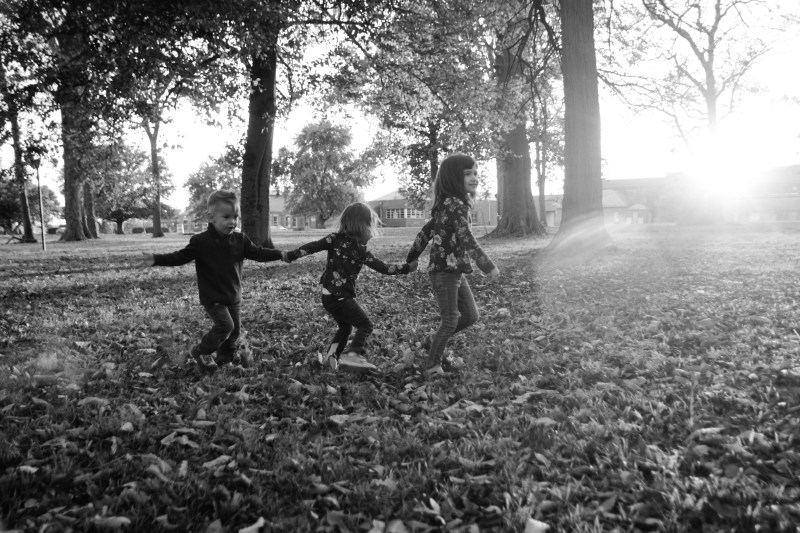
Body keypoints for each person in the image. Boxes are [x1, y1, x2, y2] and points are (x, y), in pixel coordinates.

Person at [139, 190, 283, 371]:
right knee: (225, 326)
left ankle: (225, 359)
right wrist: (156, 259)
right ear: (211, 217)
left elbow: (259, 253)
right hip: (213, 297)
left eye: (235, 217)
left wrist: (280, 254)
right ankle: (200, 351)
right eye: (226, 217)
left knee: (235, 332)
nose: (232, 222)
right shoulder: (201, 242)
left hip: (233, 296)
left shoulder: (240, 240)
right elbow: (180, 257)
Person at [282, 202, 417, 373]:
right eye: (371, 227)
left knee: (345, 327)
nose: (372, 233)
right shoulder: (361, 251)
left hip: (327, 297)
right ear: (362, 226)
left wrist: (291, 256)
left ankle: (331, 357)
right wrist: (407, 268)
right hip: (340, 298)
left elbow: (311, 247)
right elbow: (384, 268)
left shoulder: (334, 239)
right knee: (366, 325)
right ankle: (353, 355)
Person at [405, 153, 500, 375]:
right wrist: (488, 266)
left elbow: (425, 233)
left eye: (475, 173)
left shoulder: (447, 204)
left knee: (471, 315)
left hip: (454, 271)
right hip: (444, 273)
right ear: (453, 178)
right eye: (468, 174)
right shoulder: (456, 206)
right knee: (450, 321)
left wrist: (412, 257)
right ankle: (432, 366)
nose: (474, 177)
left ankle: (432, 342)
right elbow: (466, 238)